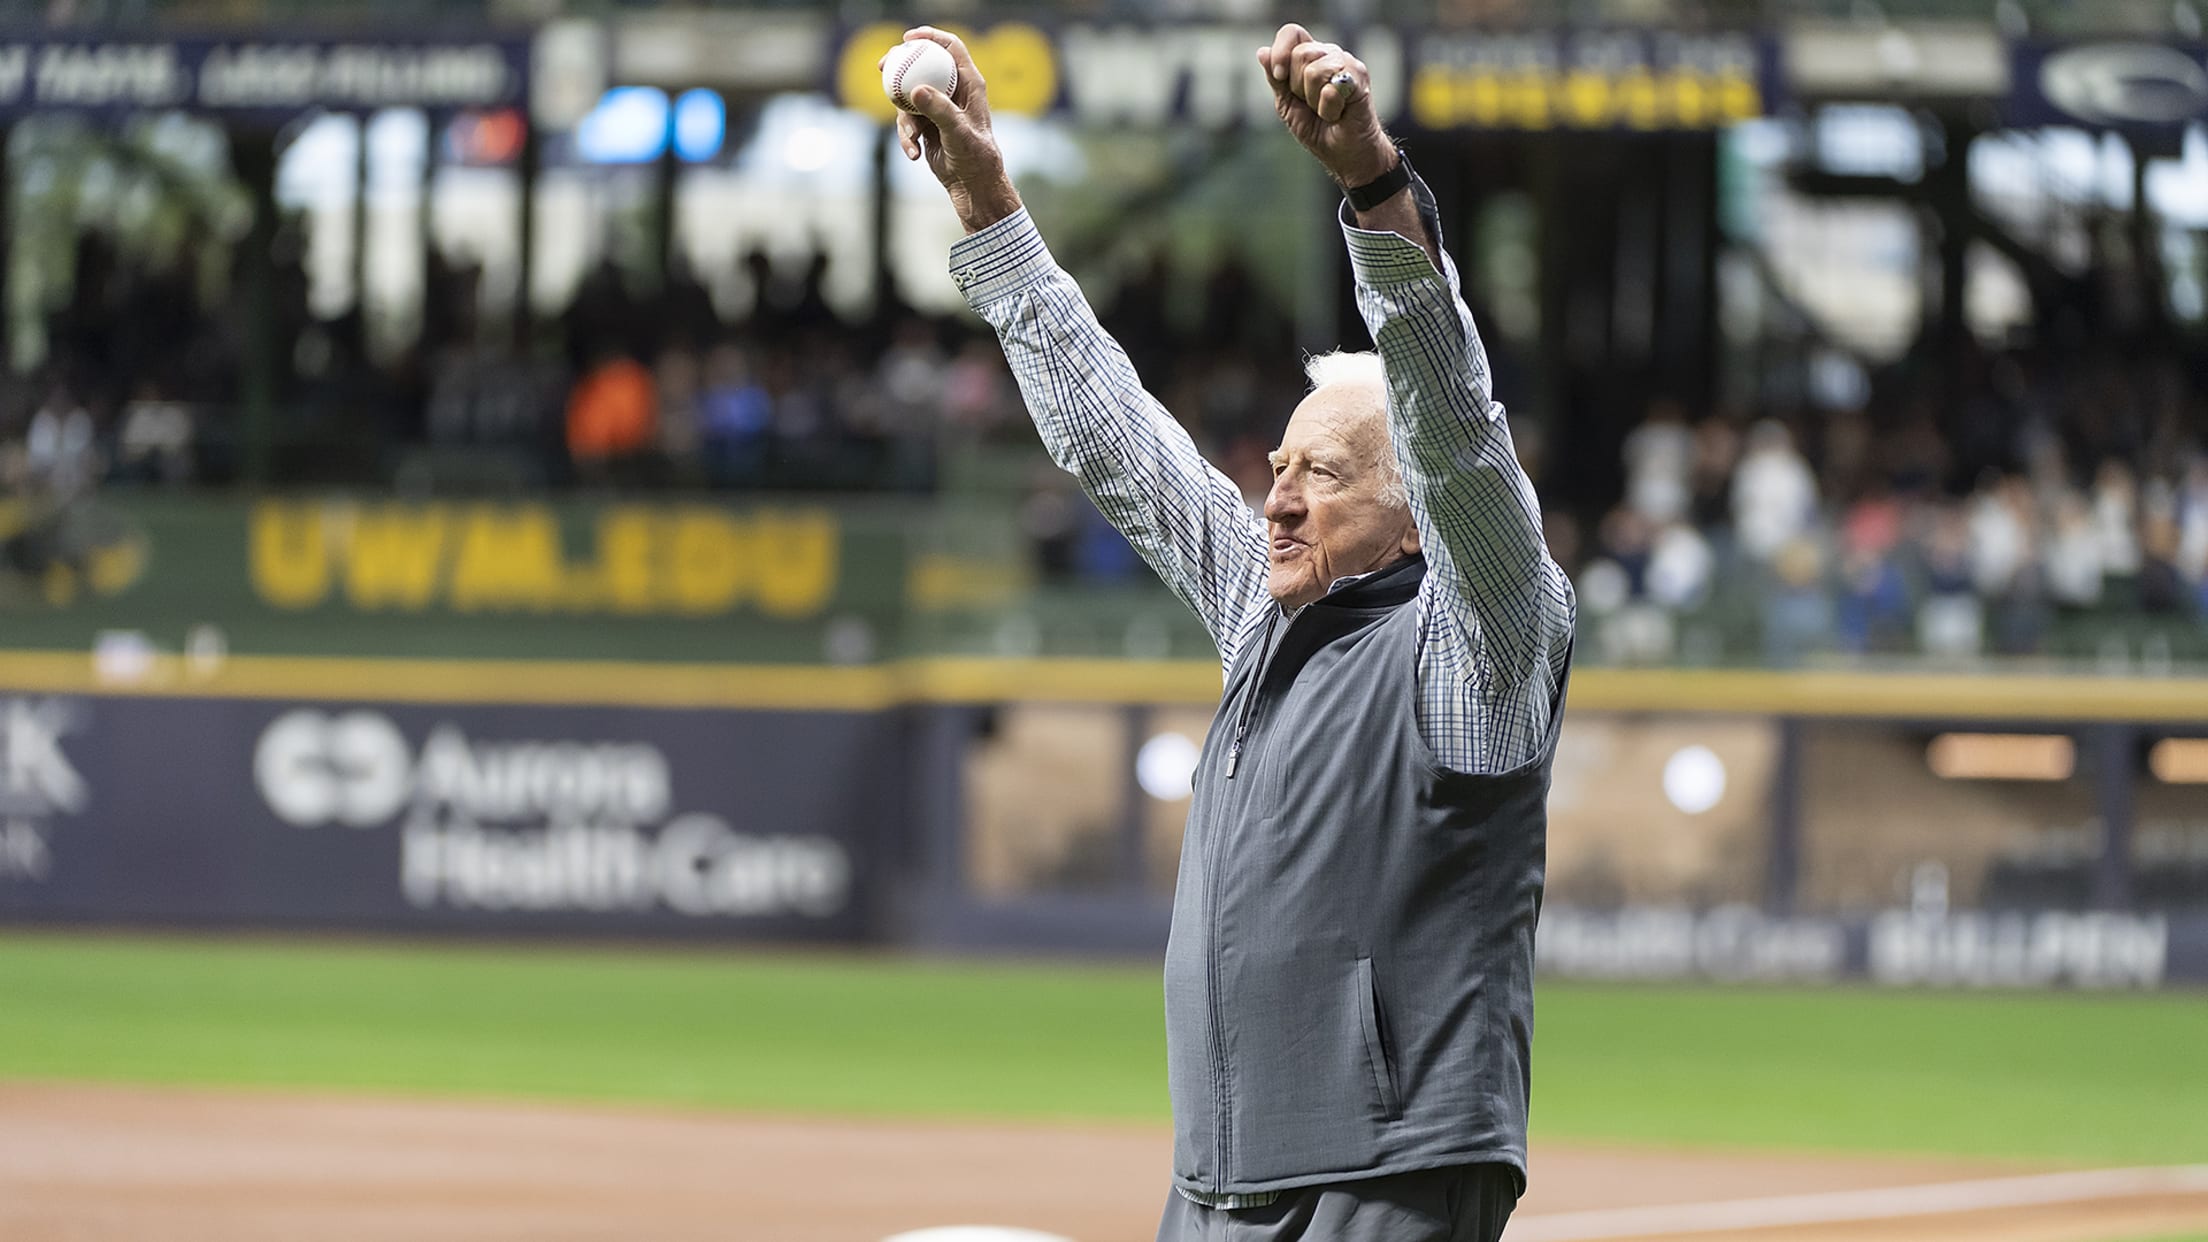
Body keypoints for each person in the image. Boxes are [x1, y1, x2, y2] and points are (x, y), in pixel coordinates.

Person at [892, 23, 1573, 1242]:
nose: (1278, 496)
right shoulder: (1270, 618)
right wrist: (988, 202)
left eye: (1323, 475)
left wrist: (1374, 195)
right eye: (1278, 464)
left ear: (1412, 512)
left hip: (1388, 1169)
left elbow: (1456, 430)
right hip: (1218, 1177)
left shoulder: (1482, 643)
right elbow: (1114, 435)